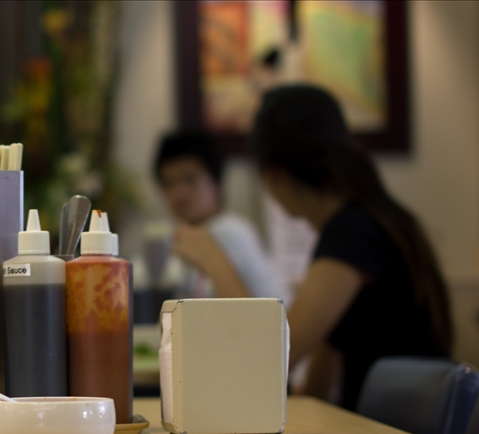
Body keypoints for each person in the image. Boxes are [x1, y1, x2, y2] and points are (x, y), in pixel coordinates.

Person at [175, 85, 451, 410]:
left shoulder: (353, 232)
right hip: (384, 431)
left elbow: (274, 359)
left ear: (273, 176)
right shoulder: (360, 223)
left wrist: (213, 259)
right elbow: (317, 388)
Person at [156, 131, 289, 301]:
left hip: (273, 325)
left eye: (190, 180)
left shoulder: (227, 230)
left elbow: (240, 309)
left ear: (216, 183)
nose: (180, 194)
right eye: (170, 184)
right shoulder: (199, 231)